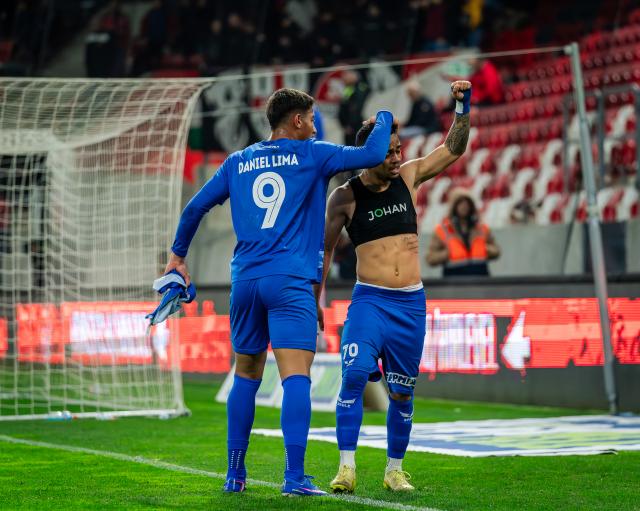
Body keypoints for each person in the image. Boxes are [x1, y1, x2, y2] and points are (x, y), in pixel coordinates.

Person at [164, 88, 394, 496]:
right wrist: (385, 115)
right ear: (297, 120)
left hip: (245, 282)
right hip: (289, 281)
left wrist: (177, 257)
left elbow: (194, 208)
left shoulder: (237, 161)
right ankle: (294, 477)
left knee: (246, 374)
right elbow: (375, 152)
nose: (316, 125)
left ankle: (235, 474)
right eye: (312, 118)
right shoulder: (314, 153)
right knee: (296, 377)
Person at [317, 81, 472, 493]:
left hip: (410, 306)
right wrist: (316, 297)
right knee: (353, 377)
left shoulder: (409, 176)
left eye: (398, 149)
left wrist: (462, 108)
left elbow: (453, 149)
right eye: (388, 152)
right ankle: (346, 468)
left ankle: (394, 470)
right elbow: (324, 250)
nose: (396, 157)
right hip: (370, 302)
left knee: (402, 395)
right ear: (367, 153)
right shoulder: (344, 197)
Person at [426, 188, 500, 276]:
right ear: (454, 207)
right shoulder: (442, 230)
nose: (464, 207)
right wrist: (447, 254)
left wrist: (486, 249)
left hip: (481, 278)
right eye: (460, 203)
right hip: (454, 280)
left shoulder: (482, 228)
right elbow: (430, 258)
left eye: (467, 204)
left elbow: (496, 250)